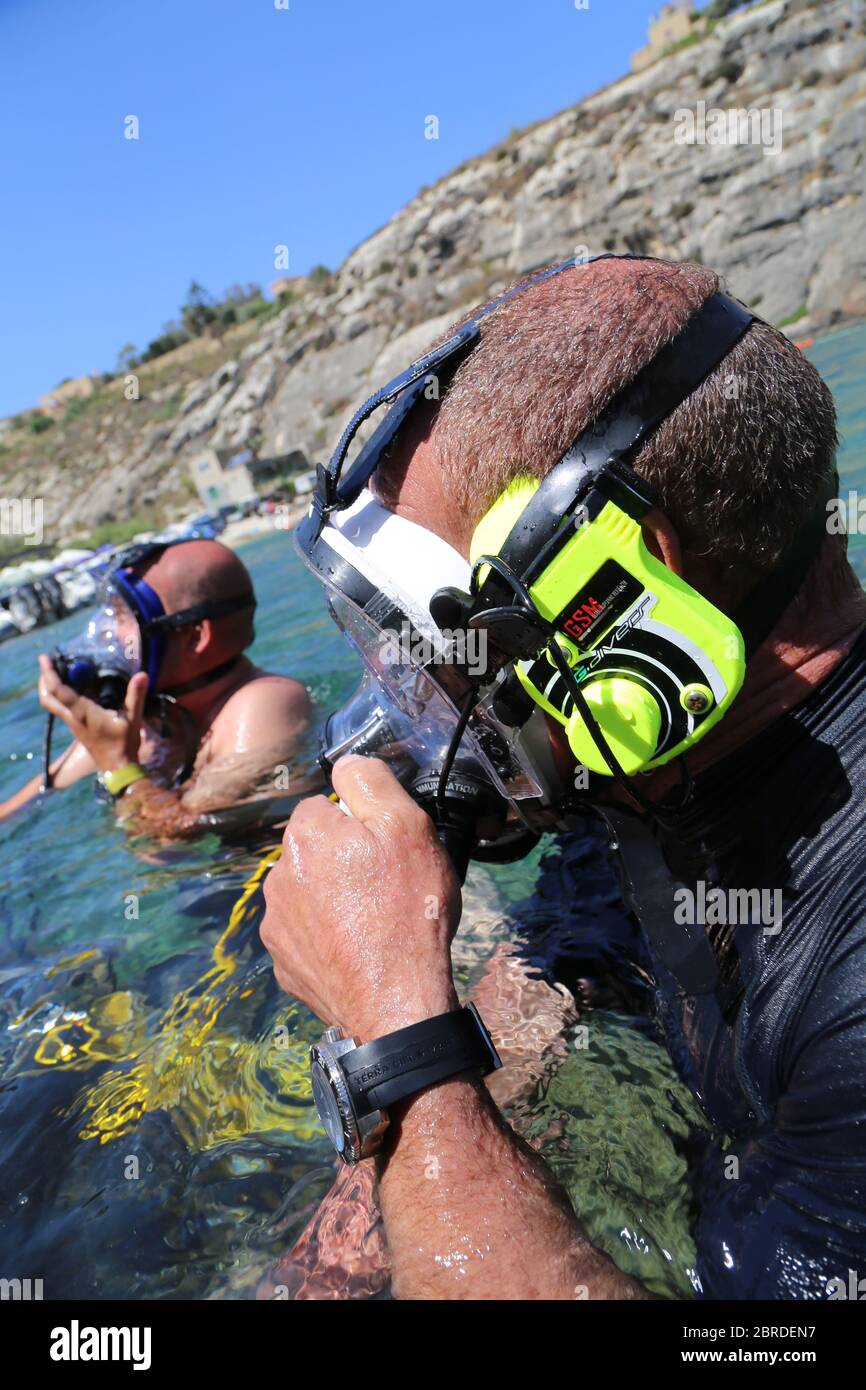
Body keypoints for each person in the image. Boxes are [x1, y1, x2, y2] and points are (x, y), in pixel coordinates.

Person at [259, 252, 866, 1300]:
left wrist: (398, 1035)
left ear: (616, 601)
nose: (431, 707)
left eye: (440, 654)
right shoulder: (655, 779)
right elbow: (567, 953)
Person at [0, 538, 311, 836]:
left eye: (122, 618)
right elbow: (18, 814)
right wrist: (98, 739)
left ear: (194, 637)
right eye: (108, 614)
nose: (106, 633)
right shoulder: (142, 717)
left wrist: (118, 765)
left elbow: (173, 842)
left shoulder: (264, 702)